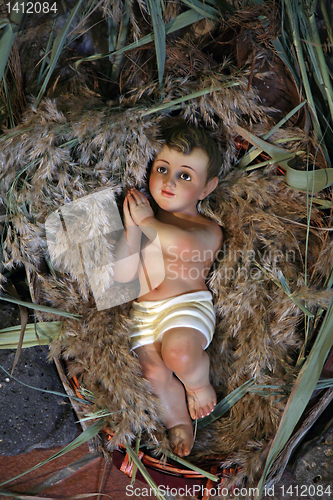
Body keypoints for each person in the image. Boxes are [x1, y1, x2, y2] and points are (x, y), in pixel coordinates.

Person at [114, 118, 223, 457]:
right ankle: (178, 420)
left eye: (185, 176)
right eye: (162, 168)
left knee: (178, 352)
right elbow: (122, 275)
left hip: (185, 308)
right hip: (145, 314)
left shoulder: (206, 228)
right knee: (152, 371)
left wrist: (146, 222)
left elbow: (184, 248)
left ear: (206, 189)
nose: (168, 182)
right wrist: (132, 228)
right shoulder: (149, 221)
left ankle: (197, 384)